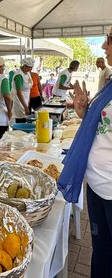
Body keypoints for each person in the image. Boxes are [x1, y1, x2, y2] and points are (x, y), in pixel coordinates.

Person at [58, 33, 112, 278]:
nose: (103, 46)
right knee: (101, 252)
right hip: (98, 185)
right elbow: (104, 130)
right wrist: (85, 112)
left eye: (109, 39)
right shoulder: (111, 83)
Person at [10, 57, 34, 123]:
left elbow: (28, 88)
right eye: (30, 67)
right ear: (25, 66)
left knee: (25, 118)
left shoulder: (27, 73)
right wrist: (25, 107)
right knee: (21, 119)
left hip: (25, 99)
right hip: (19, 100)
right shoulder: (19, 76)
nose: (31, 69)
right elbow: (19, 93)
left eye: (32, 67)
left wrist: (28, 103)